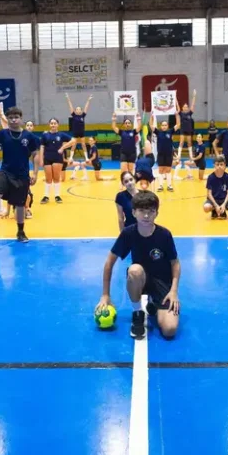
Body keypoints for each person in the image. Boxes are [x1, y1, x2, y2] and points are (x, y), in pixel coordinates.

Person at [96, 190, 180, 340]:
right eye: (142, 211)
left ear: (157, 213)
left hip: (162, 281)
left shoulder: (165, 235)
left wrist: (173, 291)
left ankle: (154, 303)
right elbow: (109, 262)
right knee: (134, 270)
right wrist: (105, 295)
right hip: (140, 279)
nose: (146, 216)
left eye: (151, 211)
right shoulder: (128, 233)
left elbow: (175, 264)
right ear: (134, 212)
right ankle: (137, 312)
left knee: (170, 329)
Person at [0, 106, 39, 242]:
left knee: (20, 205)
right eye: (10, 118)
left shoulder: (29, 136)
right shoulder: (2, 134)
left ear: (21, 119)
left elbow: (35, 154)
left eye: (16, 117)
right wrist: (1, 117)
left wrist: (35, 173)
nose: (13, 120)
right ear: (7, 119)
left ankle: (20, 232)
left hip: (22, 175)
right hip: (5, 172)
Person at [39, 118, 75, 204]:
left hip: (57, 158)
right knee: (48, 178)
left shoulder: (61, 134)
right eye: (51, 123)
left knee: (56, 178)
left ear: (58, 125)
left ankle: (57, 196)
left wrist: (62, 147)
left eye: (55, 123)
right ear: (49, 125)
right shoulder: (45, 135)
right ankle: (46, 196)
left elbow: (73, 140)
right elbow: (42, 147)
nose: (53, 125)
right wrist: (41, 159)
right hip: (47, 158)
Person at [150, 111, 179, 192]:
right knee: (161, 170)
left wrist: (177, 115)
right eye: (163, 125)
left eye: (165, 125)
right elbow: (151, 125)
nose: (164, 126)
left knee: (168, 170)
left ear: (167, 126)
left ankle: (169, 185)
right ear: (161, 126)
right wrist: (151, 116)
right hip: (160, 154)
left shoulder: (170, 131)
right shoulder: (158, 132)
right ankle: (160, 186)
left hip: (169, 154)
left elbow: (178, 124)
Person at [65, 93, 93, 163]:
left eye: (79, 109)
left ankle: (86, 158)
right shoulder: (74, 115)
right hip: (75, 133)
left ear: (81, 110)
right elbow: (70, 106)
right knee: (73, 145)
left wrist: (88, 100)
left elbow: (86, 107)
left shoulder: (83, 115)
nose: (78, 110)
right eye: (77, 109)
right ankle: (71, 157)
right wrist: (68, 98)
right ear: (75, 111)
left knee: (83, 145)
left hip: (81, 133)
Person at [176, 90, 196, 160]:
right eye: (184, 107)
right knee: (181, 142)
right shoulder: (181, 113)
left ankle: (191, 156)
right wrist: (175, 97)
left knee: (189, 143)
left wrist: (194, 96)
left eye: (186, 107)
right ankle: (178, 156)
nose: (185, 108)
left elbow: (193, 105)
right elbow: (177, 106)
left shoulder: (190, 113)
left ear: (187, 108)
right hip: (182, 130)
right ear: (182, 108)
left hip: (189, 130)